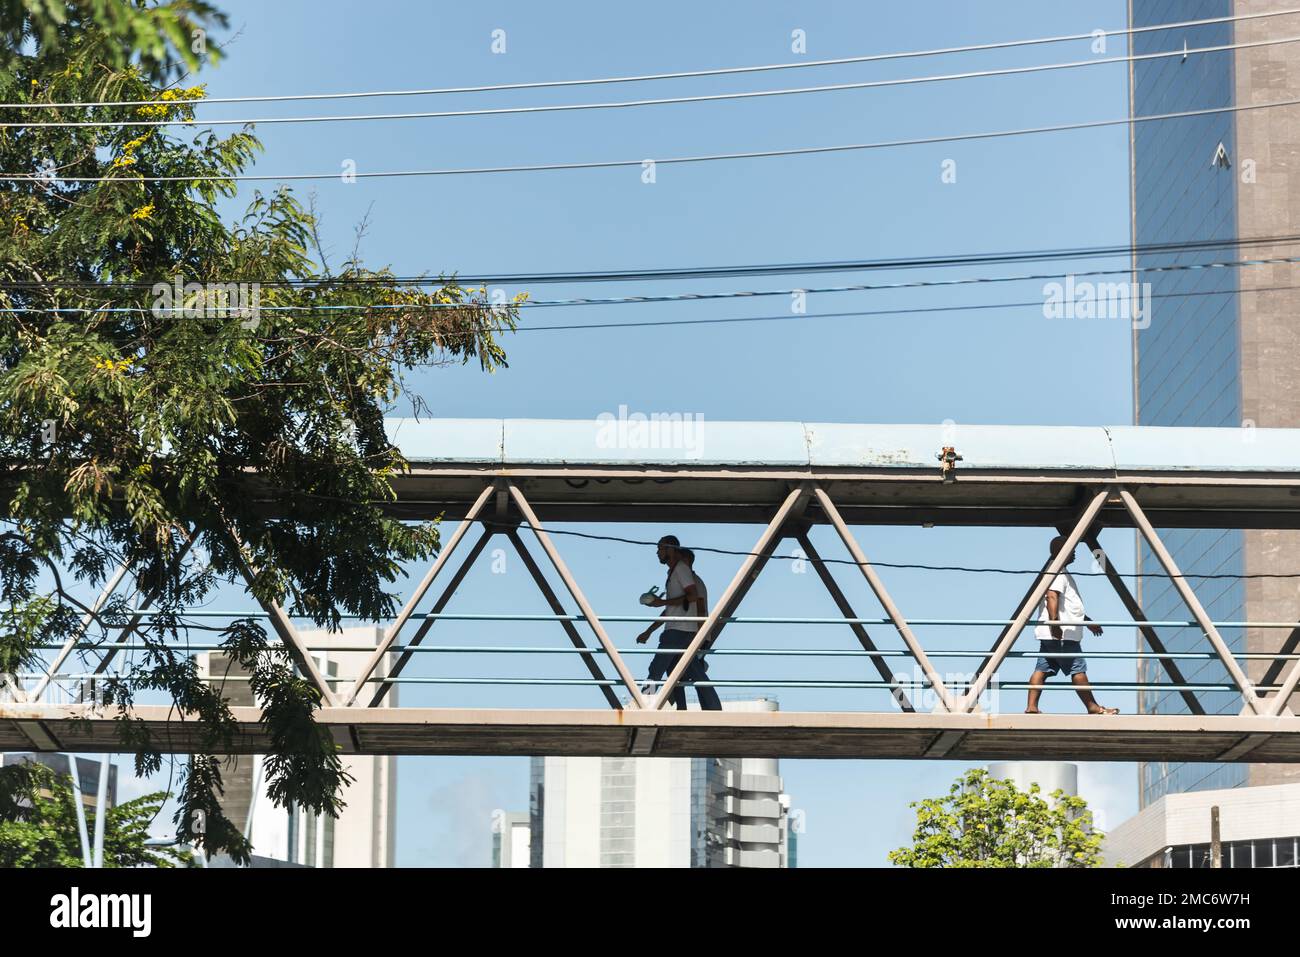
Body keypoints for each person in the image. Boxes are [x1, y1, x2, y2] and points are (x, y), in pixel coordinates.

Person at [1025, 535, 1119, 715]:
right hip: (1063, 635)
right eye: (1071, 549)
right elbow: (1052, 596)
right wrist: (1055, 624)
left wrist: (1087, 622)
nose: (1075, 552)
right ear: (1062, 551)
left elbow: (1069, 606)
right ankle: (1093, 707)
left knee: (1042, 669)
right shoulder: (1058, 573)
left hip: (1053, 634)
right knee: (1078, 670)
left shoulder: (1058, 571)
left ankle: (1031, 707)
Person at [636, 536, 722, 710]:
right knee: (688, 671)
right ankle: (710, 708)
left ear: (670, 549)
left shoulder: (682, 571)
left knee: (657, 668)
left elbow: (693, 600)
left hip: (679, 630)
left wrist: (701, 637)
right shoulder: (676, 573)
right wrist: (649, 630)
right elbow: (672, 608)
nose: (657, 552)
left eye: (660, 548)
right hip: (684, 630)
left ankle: (644, 704)